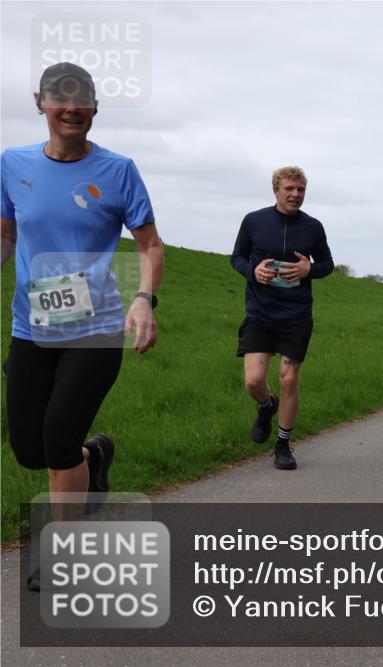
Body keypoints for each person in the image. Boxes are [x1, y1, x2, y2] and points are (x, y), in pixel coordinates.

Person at [1, 63, 163, 589]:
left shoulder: (118, 171)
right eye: (60, 97)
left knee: (55, 438)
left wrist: (143, 299)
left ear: (95, 107)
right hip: (31, 330)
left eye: (83, 98)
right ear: (40, 102)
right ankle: (94, 456)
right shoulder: (12, 163)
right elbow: (6, 236)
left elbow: (149, 245)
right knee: (30, 449)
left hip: (95, 330)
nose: (72, 107)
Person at [231, 166, 334, 470]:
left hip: (296, 315)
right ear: (275, 190)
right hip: (261, 313)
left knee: (288, 378)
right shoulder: (254, 221)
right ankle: (266, 405)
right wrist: (253, 271)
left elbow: (327, 263)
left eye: (301, 189)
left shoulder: (313, 227)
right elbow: (236, 256)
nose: (296, 194)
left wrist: (309, 270)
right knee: (253, 380)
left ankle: (283, 444)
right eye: (289, 188)